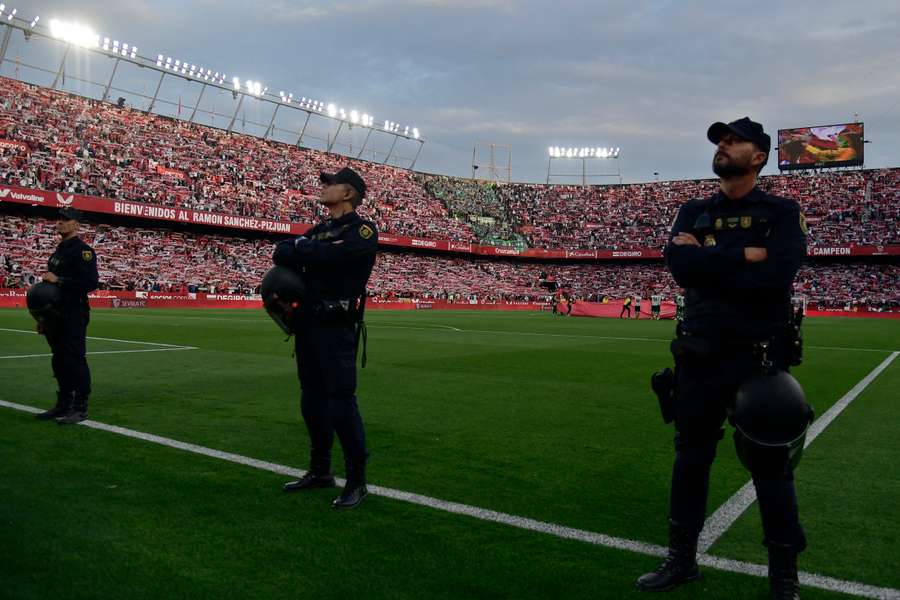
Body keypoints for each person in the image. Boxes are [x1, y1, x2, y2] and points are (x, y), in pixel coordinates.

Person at [636, 117, 808, 599]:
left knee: (771, 469)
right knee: (690, 459)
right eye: (720, 141)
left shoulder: (781, 209)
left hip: (759, 357)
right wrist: (744, 254)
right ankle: (681, 560)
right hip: (699, 354)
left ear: (758, 157)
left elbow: (777, 273)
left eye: (734, 141)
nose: (723, 146)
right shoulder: (693, 209)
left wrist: (710, 255)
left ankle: (783, 578)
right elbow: (679, 266)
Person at [272, 166, 378, 510]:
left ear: (348, 193)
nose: (324, 186)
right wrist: (309, 248)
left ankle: (357, 481)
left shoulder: (362, 230)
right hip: (309, 325)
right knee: (311, 400)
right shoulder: (321, 230)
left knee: (341, 402)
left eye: (331, 183)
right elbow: (280, 252)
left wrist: (306, 249)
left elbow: (332, 256)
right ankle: (320, 471)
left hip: (337, 326)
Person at [34, 207, 99, 424]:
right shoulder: (58, 251)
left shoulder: (83, 251)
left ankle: (80, 408)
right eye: (59, 219)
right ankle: (63, 404)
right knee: (59, 359)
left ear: (76, 225)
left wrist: (59, 281)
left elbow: (91, 283)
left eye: (65, 220)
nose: (59, 223)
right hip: (55, 313)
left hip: (74, 312)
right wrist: (43, 319)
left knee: (75, 358)